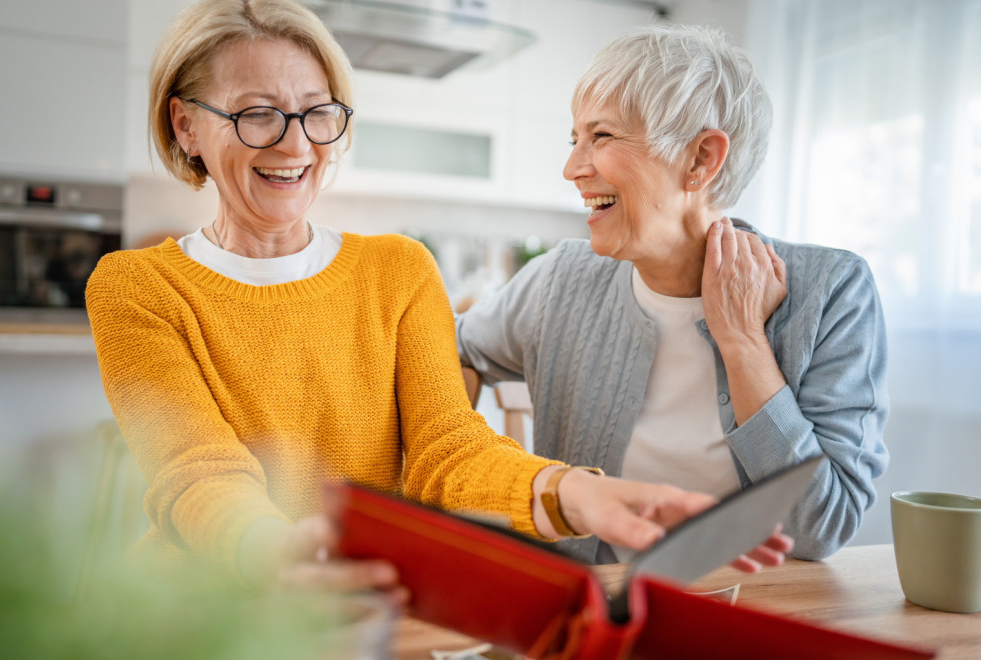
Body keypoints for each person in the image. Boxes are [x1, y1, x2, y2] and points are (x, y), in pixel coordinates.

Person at [86, 1, 789, 596]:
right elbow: (197, 473)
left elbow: (444, 451)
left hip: (373, 600)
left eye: (316, 112)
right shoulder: (137, 289)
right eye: (257, 115)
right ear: (186, 127)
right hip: (207, 610)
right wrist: (283, 553)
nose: (296, 143)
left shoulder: (397, 269)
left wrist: (577, 492)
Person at [457, 24, 889, 564]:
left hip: (756, 612)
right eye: (575, 140)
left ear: (701, 159)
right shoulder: (561, 279)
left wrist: (744, 344)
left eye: (603, 137)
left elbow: (822, 527)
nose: (572, 169)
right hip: (597, 610)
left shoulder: (832, 292)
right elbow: (451, 351)